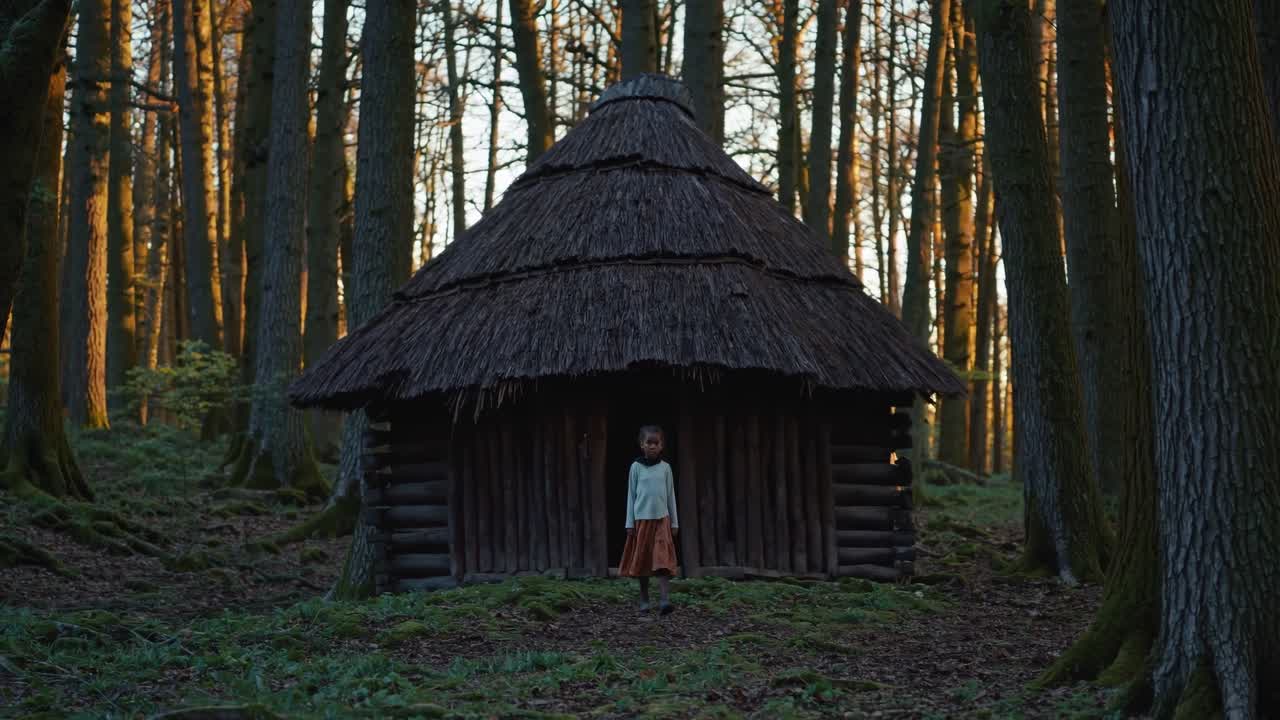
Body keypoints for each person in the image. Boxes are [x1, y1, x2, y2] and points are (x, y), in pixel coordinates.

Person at [619, 425, 679, 614]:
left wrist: (674, 522)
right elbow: (631, 495)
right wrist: (629, 522)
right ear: (641, 444)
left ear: (661, 446)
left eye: (656, 443)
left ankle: (664, 600)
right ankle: (644, 600)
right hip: (641, 521)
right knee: (643, 561)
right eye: (649, 443)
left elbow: (671, 495)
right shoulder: (636, 467)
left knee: (662, 561)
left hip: (662, 520)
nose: (652, 446)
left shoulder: (665, 468)